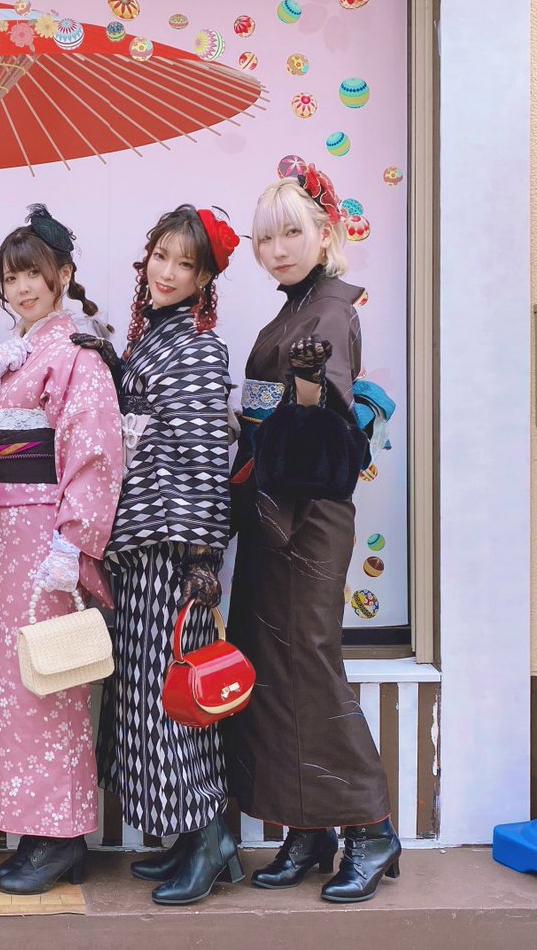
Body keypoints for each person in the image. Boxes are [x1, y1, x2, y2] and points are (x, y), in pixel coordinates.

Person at [223, 166, 401, 903]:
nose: (278, 249)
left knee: (310, 664)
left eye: (292, 233)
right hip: (275, 511)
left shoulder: (327, 312)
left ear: (325, 235)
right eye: (265, 238)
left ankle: (371, 827)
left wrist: (302, 390)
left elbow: (322, 425)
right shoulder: (292, 310)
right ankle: (308, 827)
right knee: (276, 664)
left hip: (308, 516)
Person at [0, 206, 123, 895]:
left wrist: (72, 542)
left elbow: (94, 451)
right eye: (10, 277)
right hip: (1, 537)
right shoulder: (10, 358)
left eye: (32, 273)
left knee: (50, 679)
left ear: (62, 275)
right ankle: (38, 830)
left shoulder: (76, 355)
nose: (21, 288)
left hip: (44, 536)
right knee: (13, 683)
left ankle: (60, 834)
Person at [92, 204, 241, 905]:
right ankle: (189, 835)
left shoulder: (199, 347)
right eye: (162, 257)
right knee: (149, 696)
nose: (170, 273)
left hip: (173, 549)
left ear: (205, 278)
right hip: (141, 543)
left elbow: (206, 457)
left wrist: (203, 556)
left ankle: (210, 836)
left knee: (173, 697)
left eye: (187, 264)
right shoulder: (154, 337)